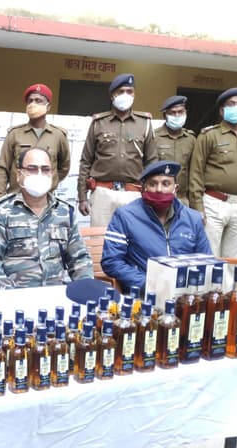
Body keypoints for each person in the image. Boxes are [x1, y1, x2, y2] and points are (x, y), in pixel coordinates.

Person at [0, 148, 93, 290]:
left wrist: (85, 288)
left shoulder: (65, 212)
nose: (39, 174)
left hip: (54, 295)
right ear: (19, 175)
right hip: (15, 295)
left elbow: (80, 259)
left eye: (45, 170)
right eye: (32, 169)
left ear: (52, 174)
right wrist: (8, 293)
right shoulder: (1, 212)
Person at [101, 161, 212, 293]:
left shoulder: (193, 218)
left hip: (186, 295)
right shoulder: (125, 216)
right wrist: (148, 284)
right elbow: (111, 261)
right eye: (153, 184)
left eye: (166, 184)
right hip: (144, 294)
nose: (159, 189)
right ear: (144, 188)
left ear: (175, 189)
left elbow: (206, 260)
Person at [189, 87, 237, 258]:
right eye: (231, 104)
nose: (236, 107)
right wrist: (197, 206)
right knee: (209, 255)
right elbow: (196, 172)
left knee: (235, 257)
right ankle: (211, 278)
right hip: (214, 203)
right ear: (222, 111)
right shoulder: (208, 135)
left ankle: (230, 279)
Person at [77, 73, 157, 227]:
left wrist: (152, 195)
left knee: (133, 238)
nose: (125, 95)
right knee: (100, 239)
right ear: (112, 95)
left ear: (134, 94)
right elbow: (86, 161)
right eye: (121, 91)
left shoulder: (145, 123)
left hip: (133, 194)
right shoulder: (98, 123)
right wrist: (82, 197)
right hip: (103, 194)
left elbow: (152, 162)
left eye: (129, 91)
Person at [0, 83, 70, 200]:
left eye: (38, 101)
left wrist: (49, 184)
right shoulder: (15, 134)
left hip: (46, 200)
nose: (33, 104)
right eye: (30, 101)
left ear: (48, 107)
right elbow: (2, 168)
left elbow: (63, 167)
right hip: (17, 198)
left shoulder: (58, 135)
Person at [154, 95, 196, 205]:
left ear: (185, 113)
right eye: (173, 113)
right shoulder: (154, 137)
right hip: (159, 196)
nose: (177, 116)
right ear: (165, 115)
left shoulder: (191, 139)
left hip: (182, 198)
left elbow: (194, 172)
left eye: (180, 112)